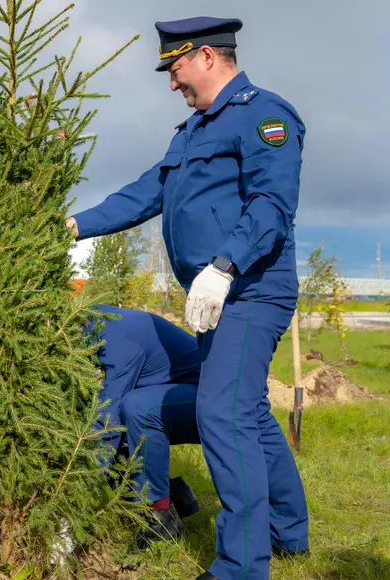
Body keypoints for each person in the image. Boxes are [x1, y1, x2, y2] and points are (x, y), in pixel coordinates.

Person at [66, 17, 309, 579]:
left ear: (206, 56)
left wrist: (225, 265)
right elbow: (144, 194)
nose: (172, 83)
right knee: (245, 411)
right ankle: (286, 532)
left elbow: (273, 204)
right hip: (214, 299)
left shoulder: (263, 115)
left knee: (223, 415)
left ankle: (239, 567)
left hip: (250, 289)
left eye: (175, 69)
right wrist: (75, 225)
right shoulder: (193, 132)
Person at [85, 303, 203, 549]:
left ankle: (162, 519)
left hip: (206, 401)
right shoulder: (93, 325)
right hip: (174, 395)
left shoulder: (115, 337)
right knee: (121, 414)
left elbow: (107, 419)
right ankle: (176, 493)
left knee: (135, 408)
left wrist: (78, 488)